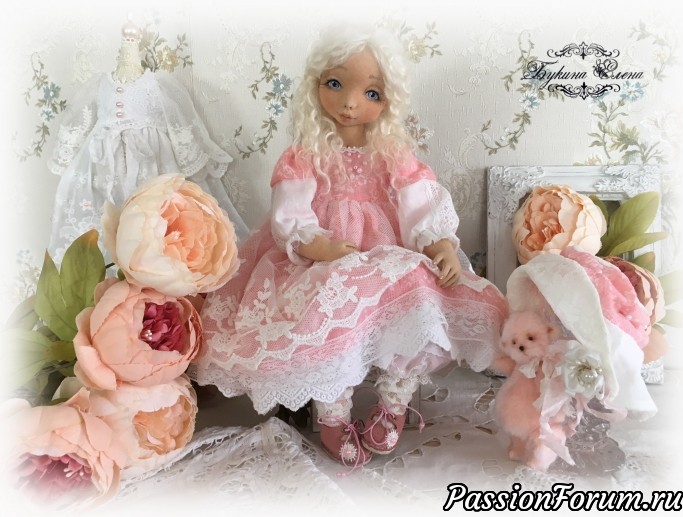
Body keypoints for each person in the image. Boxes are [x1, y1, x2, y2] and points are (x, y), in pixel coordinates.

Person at [192, 24, 507, 468]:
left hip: (382, 255)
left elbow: (418, 205)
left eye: (371, 93)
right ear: (316, 84)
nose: (350, 103)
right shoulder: (306, 154)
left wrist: (438, 242)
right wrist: (317, 246)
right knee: (322, 306)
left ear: (388, 100)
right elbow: (291, 215)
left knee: (420, 290)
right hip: (319, 255)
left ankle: (394, 400)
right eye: (335, 84)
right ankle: (333, 411)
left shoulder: (392, 154)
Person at [47, 20, 249, 262]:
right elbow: (77, 120)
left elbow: (179, 120)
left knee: (155, 226)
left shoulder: (156, 84)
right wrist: (68, 152)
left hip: (151, 165)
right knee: (103, 229)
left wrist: (189, 154)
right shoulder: (99, 84)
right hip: (103, 166)